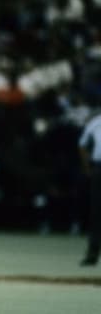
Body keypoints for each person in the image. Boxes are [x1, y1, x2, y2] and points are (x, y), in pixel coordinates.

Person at [78, 112, 101, 266]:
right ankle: (92, 253)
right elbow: (82, 144)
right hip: (99, 168)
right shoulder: (96, 121)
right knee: (97, 211)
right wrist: (87, 167)